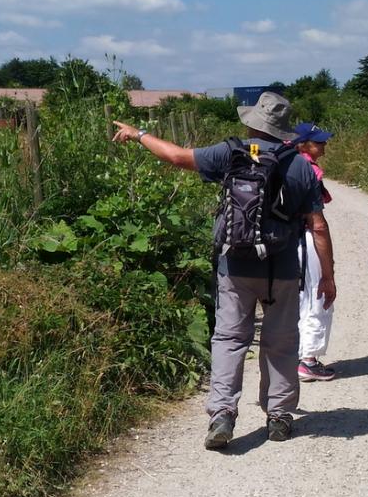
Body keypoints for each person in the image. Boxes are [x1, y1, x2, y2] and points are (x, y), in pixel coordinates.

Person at [112, 92, 336, 449]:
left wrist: (139, 134)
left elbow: (176, 156)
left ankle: (222, 414)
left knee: (230, 339)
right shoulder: (300, 166)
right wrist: (327, 275)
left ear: (252, 123)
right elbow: (319, 227)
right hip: (281, 267)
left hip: (235, 264)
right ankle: (278, 416)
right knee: (280, 342)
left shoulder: (230, 152)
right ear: (283, 129)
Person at [292, 122, 336, 382]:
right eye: (318, 141)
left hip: (286, 241)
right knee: (318, 295)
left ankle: (298, 355)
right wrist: (328, 267)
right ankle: (308, 360)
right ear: (303, 144)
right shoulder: (309, 171)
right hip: (306, 239)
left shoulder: (285, 166)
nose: (324, 145)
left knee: (298, 298)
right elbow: (317, 223)